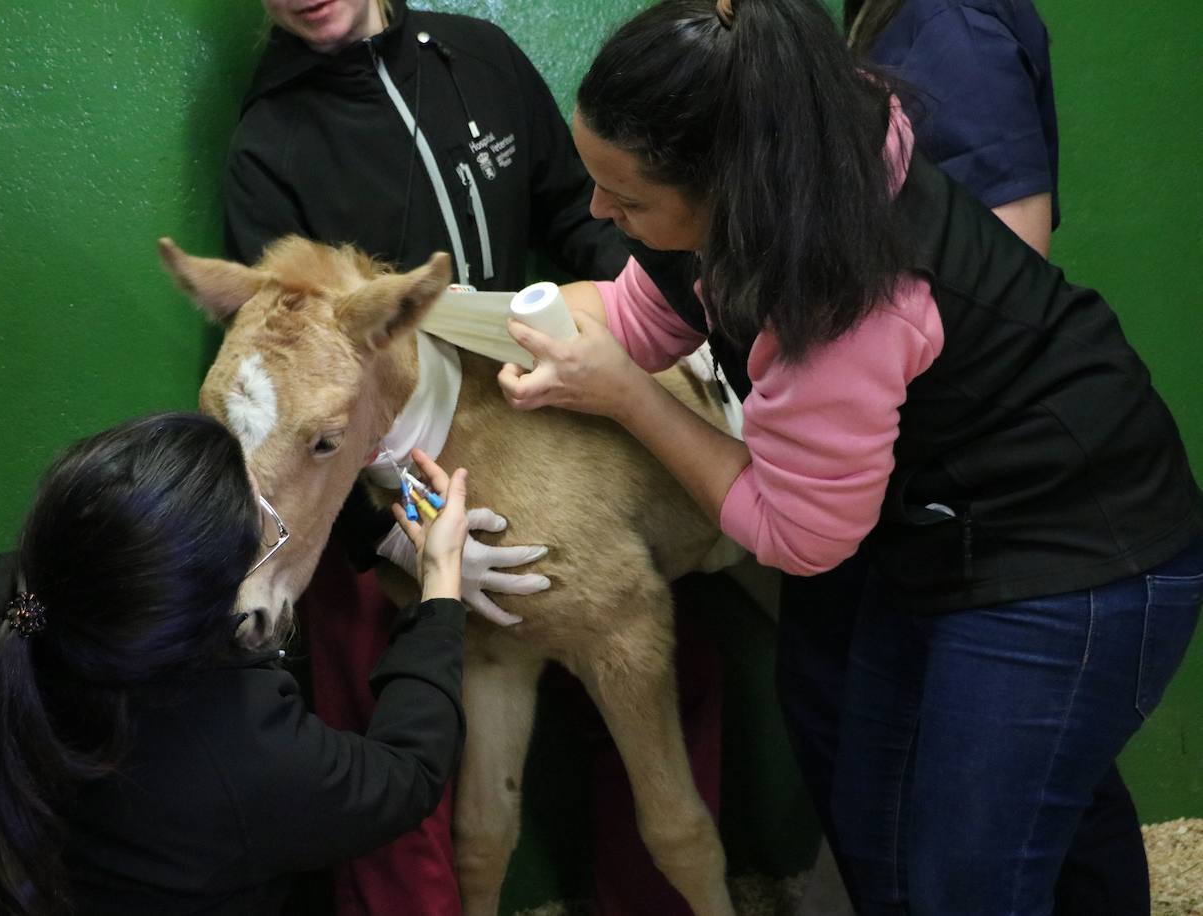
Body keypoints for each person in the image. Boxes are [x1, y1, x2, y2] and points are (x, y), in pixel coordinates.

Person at [496, 1, 1203, 913]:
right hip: (941, 526)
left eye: (627, 199)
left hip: (1077, 542)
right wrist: (494, 332)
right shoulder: (773, 164)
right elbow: (639, 314)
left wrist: (629, 400)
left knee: (969, 877)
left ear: (726, 190)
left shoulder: (845, 292)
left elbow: (799, 535)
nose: (599, 212)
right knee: (878, 807)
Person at [223, 2, 730, 913]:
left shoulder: (478, 59)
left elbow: (584, 215)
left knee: (671, 669)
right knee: (389, 744)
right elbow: (280, 376)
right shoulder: (270, 142)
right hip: (377, 489)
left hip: (538, 427)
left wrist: (676, 327)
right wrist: (389, 539)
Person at [779, 3, 1151, 914]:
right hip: (933, 489)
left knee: (1011, 799)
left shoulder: (949, 32)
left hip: (1000, 502)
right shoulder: (882, 22)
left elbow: (998, 283)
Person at [0, 413, 471, 915]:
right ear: (207, 600)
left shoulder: (6, 612)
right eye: (263, 522)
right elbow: (408, 774)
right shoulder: (242, 751)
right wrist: (441, 581)